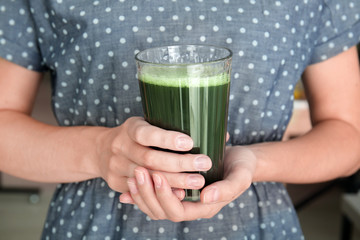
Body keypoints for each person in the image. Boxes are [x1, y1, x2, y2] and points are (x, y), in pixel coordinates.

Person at [1, 0, 360, 239]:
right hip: (92, 226)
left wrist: (253, 161)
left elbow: (349, 134)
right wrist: (99, 151)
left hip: (257, 226)